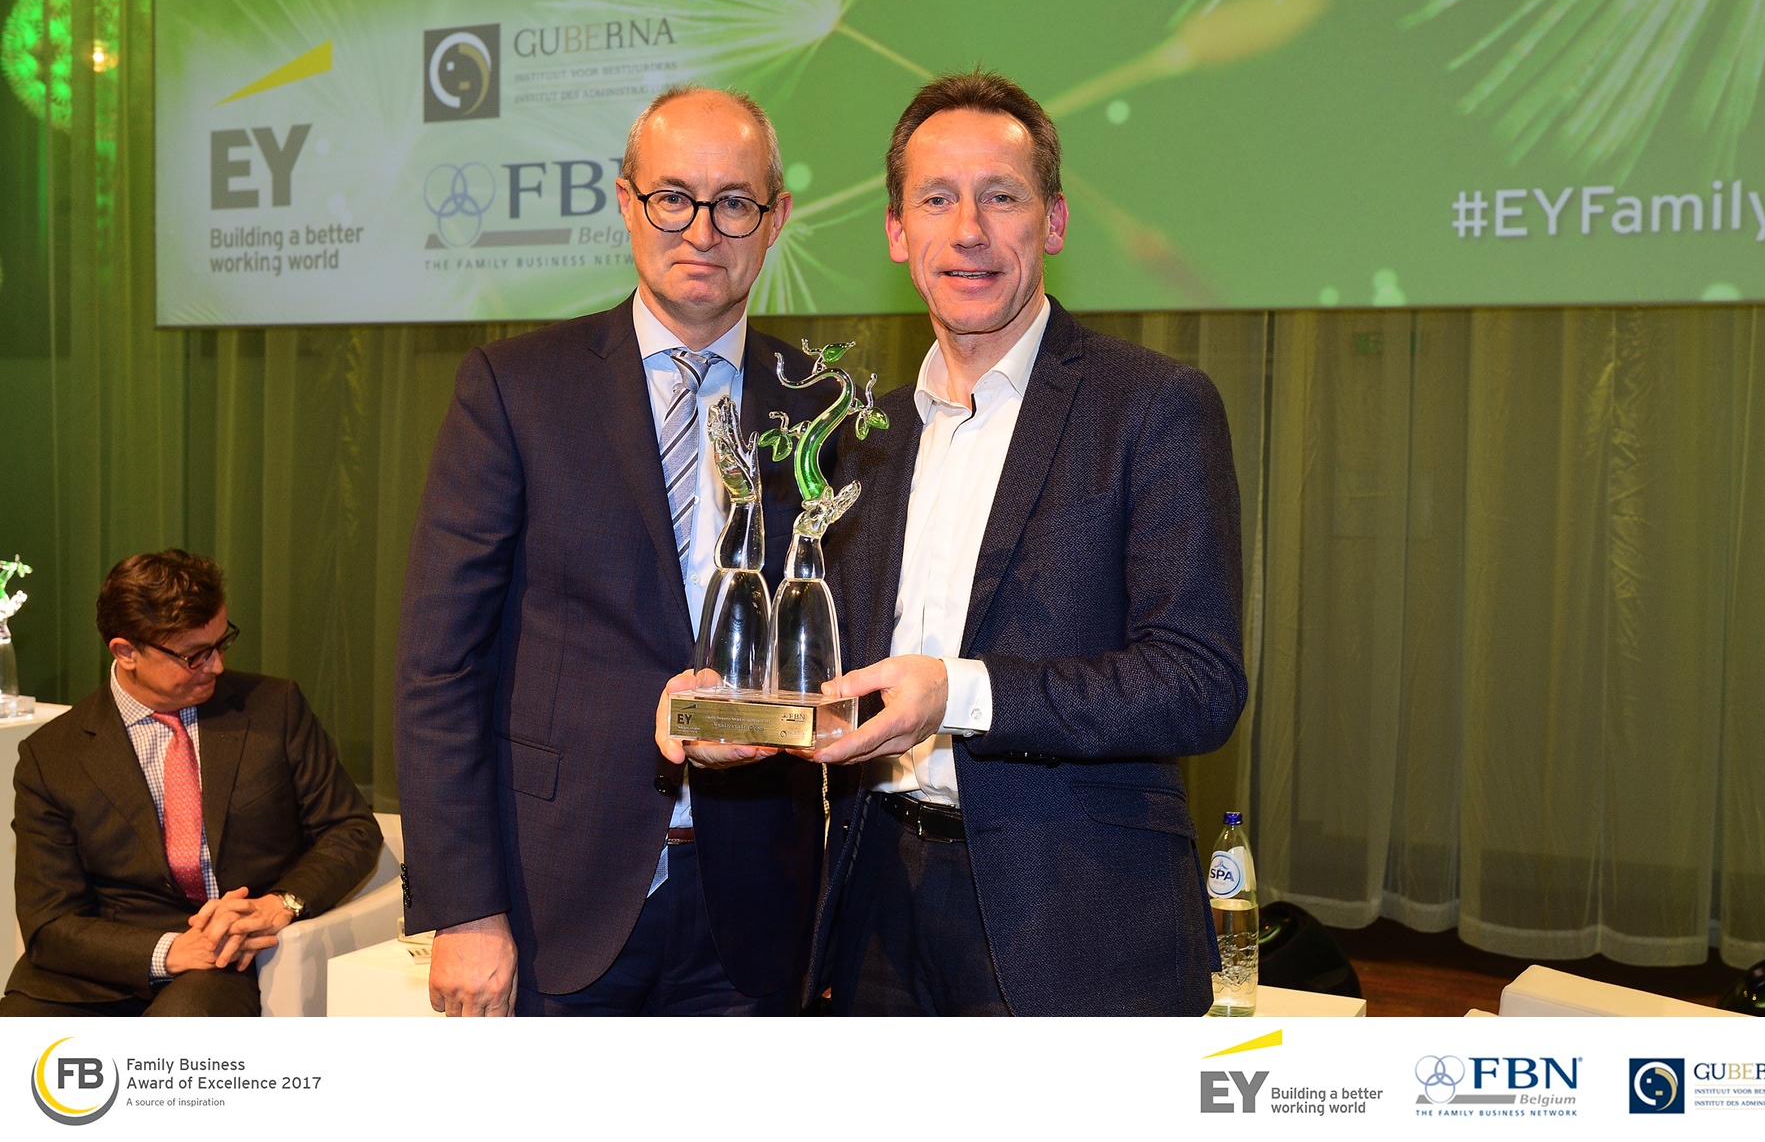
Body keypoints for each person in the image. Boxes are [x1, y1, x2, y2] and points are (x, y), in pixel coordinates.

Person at [805, 72, 1247, 1015]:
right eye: (936, 199)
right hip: (875, 896)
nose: (968, 230)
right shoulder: (864, 437)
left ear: (1053, 222)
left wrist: (959, 693)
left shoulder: (1152, 407)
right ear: (896, 233)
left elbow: (1197, 684)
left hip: (1074, 913)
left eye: (1000, 197)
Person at [396, 85, 829, 1016]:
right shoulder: (515, 390)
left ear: (776, 217)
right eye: (673, 198)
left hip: (757, 909)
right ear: (627, 202)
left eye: (735, 202)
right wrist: (465, 910)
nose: (701, 231)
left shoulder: (820, 407)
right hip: (557, 899)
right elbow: (440, 666)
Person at [2, 550, 382, 1017]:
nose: (216, 666)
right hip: (97, 972)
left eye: (222, 643)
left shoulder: (273, 708)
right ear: (125, 652)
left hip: (223, 963)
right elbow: (48, 921)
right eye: (194, 655)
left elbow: (351, 830)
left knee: (174, 1041)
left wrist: (279, 903)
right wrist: (167, 951)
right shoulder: (51, 756)